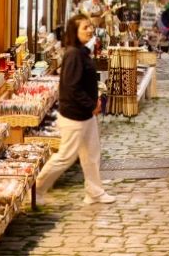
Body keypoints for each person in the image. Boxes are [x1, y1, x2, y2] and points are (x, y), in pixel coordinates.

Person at [36, 16, 115, 203]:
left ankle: (94, 191)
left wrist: (93, 104)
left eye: (90, 27)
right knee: (65, 156)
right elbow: (72, 87)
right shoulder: (73, 54)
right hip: (74, 116)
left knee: (91, 154)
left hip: (85, 114)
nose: (90, 30)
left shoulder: (82, 51)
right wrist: (90, 104)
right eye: (85, 27)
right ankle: (36, 188)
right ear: (75, 32)